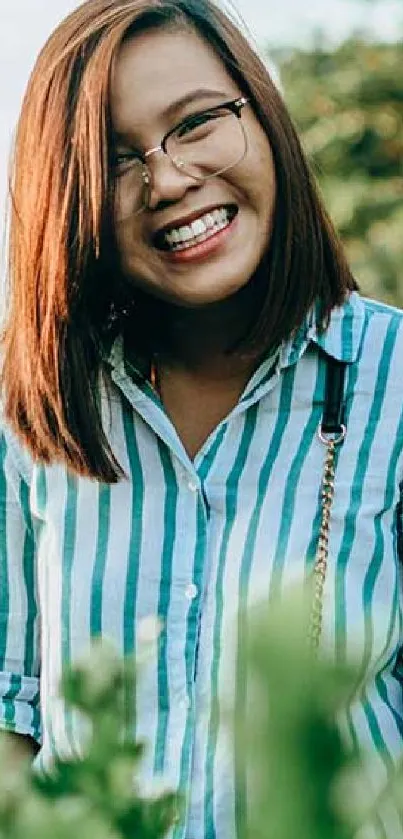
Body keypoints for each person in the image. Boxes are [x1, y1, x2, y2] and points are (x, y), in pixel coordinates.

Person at [0, 0, 402, 836]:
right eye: (113, 160)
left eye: (195, 124)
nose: (169, 179)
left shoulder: (391, 383)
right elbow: (12, 727)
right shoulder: (27, 410)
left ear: (263, 115)